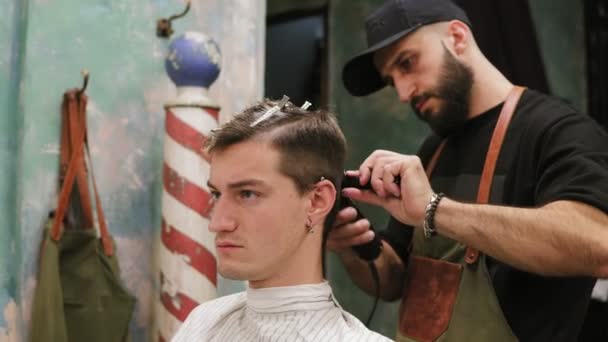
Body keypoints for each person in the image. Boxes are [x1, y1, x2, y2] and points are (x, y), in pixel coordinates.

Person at [330, 0, 608, 341]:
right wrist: (354, 244)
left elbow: (597, 245)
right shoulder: (433, 152)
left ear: (457, 37)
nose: (403, 92)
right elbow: (394, 282)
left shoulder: (557, 131)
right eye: (392, 81)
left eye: (407, 63)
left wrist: (435, 210)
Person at [172, 98, 393, 342]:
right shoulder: (203, 322)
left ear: (317, 201)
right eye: (216, 193)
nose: (217, 223)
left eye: (248, 194)